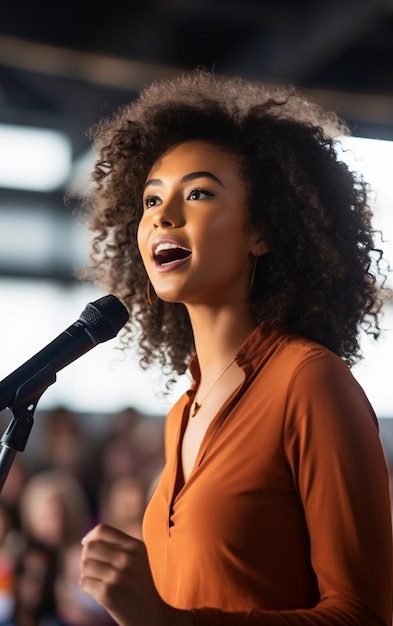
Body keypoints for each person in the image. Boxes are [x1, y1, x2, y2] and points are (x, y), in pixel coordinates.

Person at [74, 69, 393, 625]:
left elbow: (363, 615)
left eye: (198, 193)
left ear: (262, 232)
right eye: (151, 200)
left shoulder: (311, 383)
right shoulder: (182, 412)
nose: (162, 217)